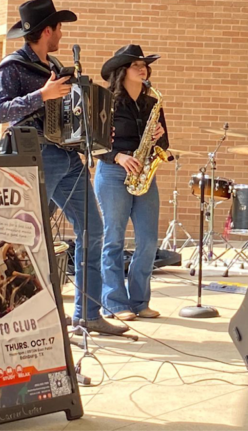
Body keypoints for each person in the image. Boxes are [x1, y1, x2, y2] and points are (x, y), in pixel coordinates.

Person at [0, 0, 127, 336]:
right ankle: (8, 318)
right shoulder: (13, 67)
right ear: (46, 30)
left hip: (67, 156)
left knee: (93, 229)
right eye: (59, 28)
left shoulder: (55, 66)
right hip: (35, 156)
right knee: (20, 237)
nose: (62, 34)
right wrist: (41, 96)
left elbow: (68, 115)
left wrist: (93, 128)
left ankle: (87, 315)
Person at [95, 45, 168, 320]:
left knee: (148, 241)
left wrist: (160, 135)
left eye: (145, 64)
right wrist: (119, 157)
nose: (143, 68)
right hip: (114, 173)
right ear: (123, 70)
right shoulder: (107, 102)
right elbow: (94, 144)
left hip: (145, 175)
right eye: (136, 64)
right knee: (113, 239)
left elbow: (164, 144)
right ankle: (114, 302)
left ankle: (139, 301)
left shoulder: (152, 104)